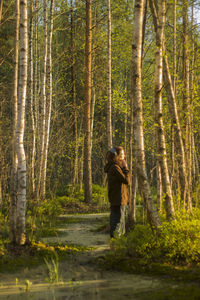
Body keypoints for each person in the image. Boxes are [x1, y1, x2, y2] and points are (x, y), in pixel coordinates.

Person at [104, 146, 130, 238]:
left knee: (116, 219)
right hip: (118, 199)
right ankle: (115, 240)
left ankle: (115, 239)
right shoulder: (115, 167)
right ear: (116, 156)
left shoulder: (114, 166)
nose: (124, 156)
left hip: (116, 198)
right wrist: (126, 168)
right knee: (118, 220)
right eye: (122, 154)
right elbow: (126, 181)